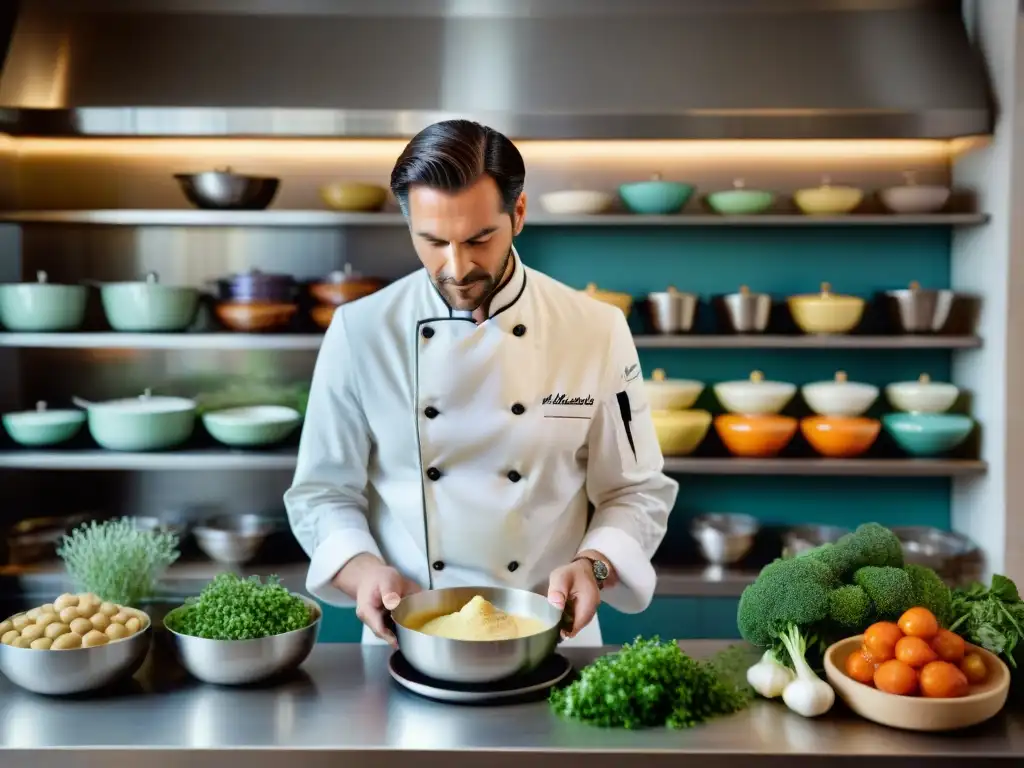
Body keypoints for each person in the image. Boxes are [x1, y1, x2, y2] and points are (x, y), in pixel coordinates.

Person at [285, 119, 678, 647]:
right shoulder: (360, 332)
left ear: (517, 213)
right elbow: (321, 493)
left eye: (479, 238)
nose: (457, 267)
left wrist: (596, 566)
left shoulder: (596, 330)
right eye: (432, 241)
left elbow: (636, 489)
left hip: (554, 636)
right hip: (410, 638)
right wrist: (361, 570)